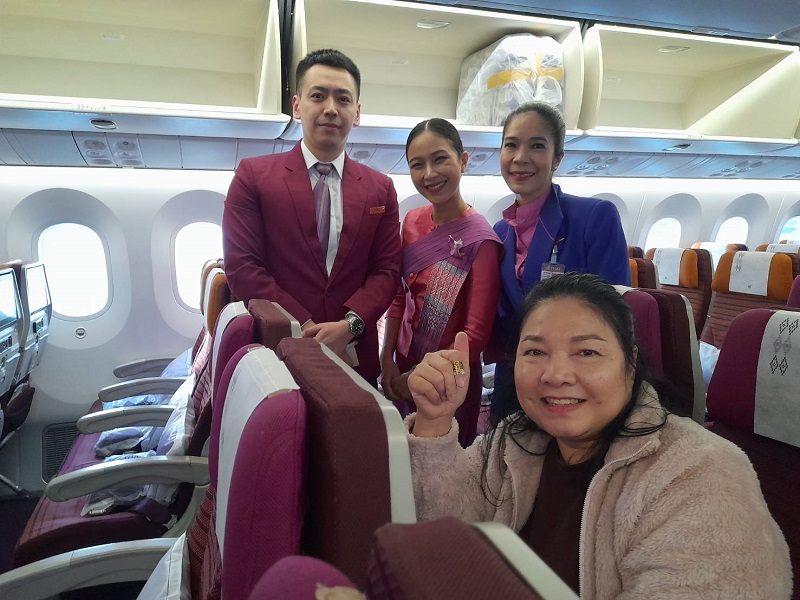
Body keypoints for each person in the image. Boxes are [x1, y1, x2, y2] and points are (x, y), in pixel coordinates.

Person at [405, 272, 791, 599]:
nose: (555, 375)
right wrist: (435, 421)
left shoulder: (699, 471)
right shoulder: (516, 438)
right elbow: (443, 534)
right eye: (535, 352)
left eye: (587, 352)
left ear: (630, 363)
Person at [222, 49, 401, 384]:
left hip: (353, 355)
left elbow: (387, 271)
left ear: (357, 113)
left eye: (343, 99)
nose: (331, 108)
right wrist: (303, 325)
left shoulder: (381, 189)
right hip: (277, 351)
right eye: (318, 96)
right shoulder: (253, 177)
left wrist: (349, 326)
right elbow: (243, 267)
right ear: (297, 106)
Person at [380, 118, 502, 447]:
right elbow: (399, 296)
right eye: (417, 165)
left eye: (440, 159)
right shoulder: (412, 220)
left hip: (451, 377)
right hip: (402, 366)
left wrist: (417, 378)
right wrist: (387, 359)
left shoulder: (482, 241)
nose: (430, 174)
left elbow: (475, 336)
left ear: (463, 160)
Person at [492, 101, 630, 358]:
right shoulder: (499, 232)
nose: (520, 157)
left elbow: (616, 313)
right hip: (516, 368)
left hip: (576, 365)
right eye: (511, 145)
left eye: (537, 146)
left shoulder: (595, 217)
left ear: (557, 158)